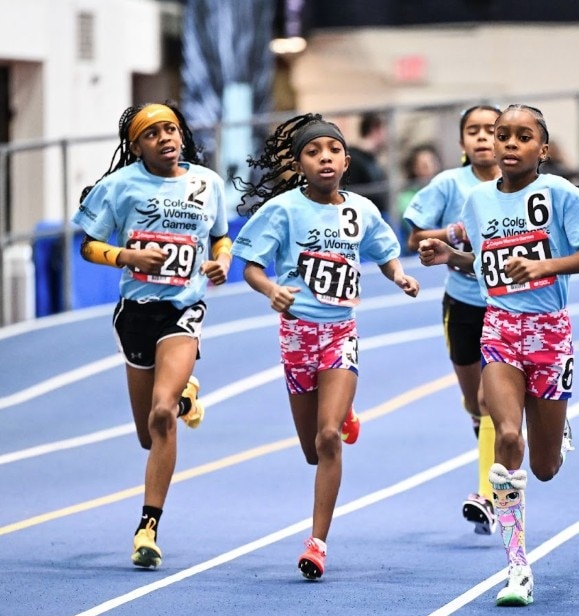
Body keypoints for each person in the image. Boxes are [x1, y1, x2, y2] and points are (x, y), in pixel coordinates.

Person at [418, 104, 579, 606]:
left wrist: (545, 264)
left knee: (545, 467)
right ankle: (517, 566)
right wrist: (451, 256)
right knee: (506, 435)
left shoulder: (561, 195)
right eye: (502, 135)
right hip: (500, 329)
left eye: (522, 137)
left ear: (542, 150)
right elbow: (485, 259)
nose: (508, 144)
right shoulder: (478, 201)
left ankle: (557, 428)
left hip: (549, 335)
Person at [232, 113, 420, 580]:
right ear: (299, 165)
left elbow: (384, 251)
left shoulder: (361, 210)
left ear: (346, 159)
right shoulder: (283, 211)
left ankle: (317, 542)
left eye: (332, 151)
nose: (325, 159)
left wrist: (398, 274)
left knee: (328, 437)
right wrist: (270, 289)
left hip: (340, 334)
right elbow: (251, 265)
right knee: (312, 451)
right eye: (314, 153)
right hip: (297, 336)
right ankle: (341, 415)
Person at [73, 101, 232, 569]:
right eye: (152, 134)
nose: (165, 138)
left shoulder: (207, 184)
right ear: (136, 145)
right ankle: (184, 399)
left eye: (170, 129)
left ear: (181, 134)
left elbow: (221, 236)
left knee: (160, 414)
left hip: (183, 309)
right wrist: (127, 258)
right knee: (149, 434)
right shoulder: (118, 187)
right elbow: (86, 245)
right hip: (136, 312)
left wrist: (221, 261)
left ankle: (148, 527)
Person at [403, 105, 500, 537]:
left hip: (507, 305)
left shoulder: (518, 187)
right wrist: (452, 234)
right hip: (462, 303)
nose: (482, 138)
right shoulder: (448, 184)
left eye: (491, 130)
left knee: (488, 400)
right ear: (462, 143)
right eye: (473, 131)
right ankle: (487, 437)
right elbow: (415, 236)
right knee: (473, 402)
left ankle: (486, 492)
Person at [342, 110, 390, 213]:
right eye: (384, 130)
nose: (387, 136)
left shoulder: (372, 159)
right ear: (375, 129)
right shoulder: (353, 159)